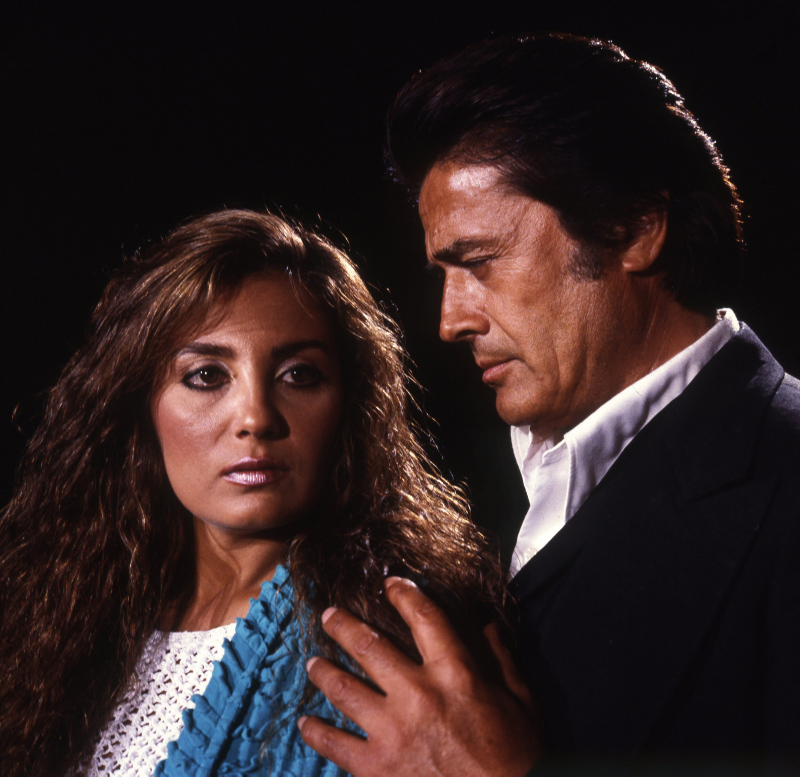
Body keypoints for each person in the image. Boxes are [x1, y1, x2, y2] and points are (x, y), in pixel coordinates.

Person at [298, 33, 800, 773]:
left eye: (479, 262)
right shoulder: (513, 496)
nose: (450, 321)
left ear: (635, 228)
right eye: (444, 274)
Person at [0, 209, 509, 777]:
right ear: (142, 407)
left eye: (299, 375)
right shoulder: (66, 631)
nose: (256, 418)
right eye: (207, 376)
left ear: (351, 405)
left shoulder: (396, 635)